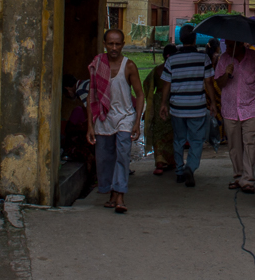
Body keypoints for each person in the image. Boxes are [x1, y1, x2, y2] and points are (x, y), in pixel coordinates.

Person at [86, 29, 143, 213]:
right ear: (105, 44)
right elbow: (91, 96)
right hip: (103, 119)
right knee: (105, 159)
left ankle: (120, 196)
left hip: (125, 118)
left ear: (123, 45)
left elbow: (140, 94)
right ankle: (112, 192)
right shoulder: (97, 64)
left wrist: (136, 121)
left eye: (118, 44)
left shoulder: (129, 66)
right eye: (110, 43)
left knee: (122, 156)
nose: (114, 47)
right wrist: (90, 125)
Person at [159, 24, 215, 187]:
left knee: (178, 139)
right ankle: (190, 167)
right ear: (195, 38)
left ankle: (179, 172)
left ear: (180, 39)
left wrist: (164, 104)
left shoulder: (171, 60)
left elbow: (166, 85)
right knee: (197, 140)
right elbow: (209, 83)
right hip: (197, 107)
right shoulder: (203, 58)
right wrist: (212, 103)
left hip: (177, 108)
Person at [215, 38, 255, 193]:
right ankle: (238, 176)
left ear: (240, 44)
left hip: (251, 108)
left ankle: (248, 179)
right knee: (234, 146)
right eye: (226, 45)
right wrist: (227, 74)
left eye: (231, 45)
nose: (227, 48)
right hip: (230, 110)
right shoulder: (224, 59)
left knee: (250, 144)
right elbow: (219, 83)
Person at [142, 44, 178, 175]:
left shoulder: (157, 70)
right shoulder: (176, 70)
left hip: (158, 103)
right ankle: (172, 160)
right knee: (173, 133)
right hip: (173, 102)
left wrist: (150, 99)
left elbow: (146, 83)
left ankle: (160, 162)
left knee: (158, 133)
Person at [60, 73, 95, 173]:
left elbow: (91, 110)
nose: (67, 97)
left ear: (67, 89)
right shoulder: (86, 83)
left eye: (65, 94)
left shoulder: (81, 90)